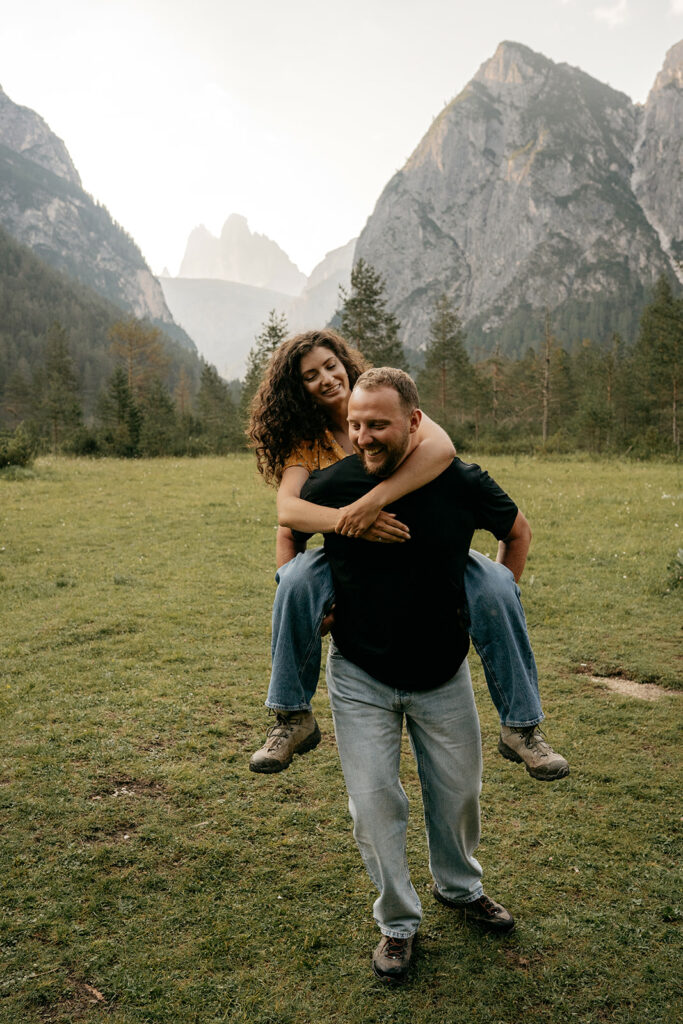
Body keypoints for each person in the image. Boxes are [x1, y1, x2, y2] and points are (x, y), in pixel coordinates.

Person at [247, 329, 568, 781]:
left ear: (346, 363)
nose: (325, 378)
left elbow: (442, 449)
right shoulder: (309, 443)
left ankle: (522, 726)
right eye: (310, 375)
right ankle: (292, 717)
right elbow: (288, 512)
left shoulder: (392, 407)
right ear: (296, 388)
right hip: (344, 552)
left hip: (427, 547)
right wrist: (348, 520)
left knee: (496, 584)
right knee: (296, 582)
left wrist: (372, 502)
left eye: (330, 365)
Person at [297, 367, 528, 981]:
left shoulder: (459, 483)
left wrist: (491, 598)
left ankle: (458, 887)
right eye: (356, 426)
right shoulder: (336, 484)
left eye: (379, 425)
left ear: (415, 423)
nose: (365, 437)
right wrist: (310, 596)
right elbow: (289, 532)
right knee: (373, 805)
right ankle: (396, 923)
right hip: (359, 676)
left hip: (442, 672)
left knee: (458, 797)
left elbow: (517, 531)